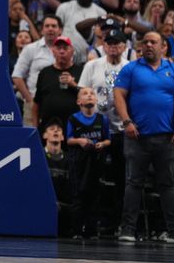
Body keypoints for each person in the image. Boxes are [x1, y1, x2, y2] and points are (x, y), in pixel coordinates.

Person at [114, 30, 174, 243]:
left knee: (166, 184)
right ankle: (128, 229)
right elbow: (118, 95)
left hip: (166, 137)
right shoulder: (130, 68)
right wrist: (127, 122)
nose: (148, 45)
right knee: (133, 183)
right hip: (136, 136)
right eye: (145, 42)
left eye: (153, 42)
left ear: (163, 47)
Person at [77, 28, 130, 227]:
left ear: (124, 47)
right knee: (92, 178)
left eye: (117, 43)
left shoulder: (129, 67)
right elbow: (84, 93)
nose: (113, 47)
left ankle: (118, 222)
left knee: (120, 177)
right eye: (109, 43)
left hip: (121, 130)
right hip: (96, 128)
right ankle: (91, 221)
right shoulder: (92, 65)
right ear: (104, 45)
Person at [65, 87, 110, 238]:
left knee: (95, 195)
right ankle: (77, 230)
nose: (90, 95)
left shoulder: (102, 119)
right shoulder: (73, 119)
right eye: (85, 93)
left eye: (92, 94)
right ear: (79, 101)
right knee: (79, 194)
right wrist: (81, 141)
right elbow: (69, 140)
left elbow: (108, 139)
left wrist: (102, 144)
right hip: (79, 161)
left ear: (96, 100)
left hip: (96, 161)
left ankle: (91, 230)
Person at [12, 15, 63, 126]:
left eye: (54, 26)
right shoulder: (30, 49)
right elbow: (17, 76)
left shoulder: (66, 49)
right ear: (42, 30)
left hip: (59, 103)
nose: (50, 29)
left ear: (60, 30)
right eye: (47, 26)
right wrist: (29, 100)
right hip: (34, 103)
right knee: (31, 139)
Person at [33, 36, 83, 132]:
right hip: (49, 128)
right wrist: (35, 128)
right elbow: (36, 103)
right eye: (58, 48)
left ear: (72, 51)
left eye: (65, 48)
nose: (61, 51)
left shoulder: (81, 71)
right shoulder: (44, 73)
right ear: (53, 51)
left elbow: (88, 97)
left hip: (75, 128)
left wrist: (74, 84)